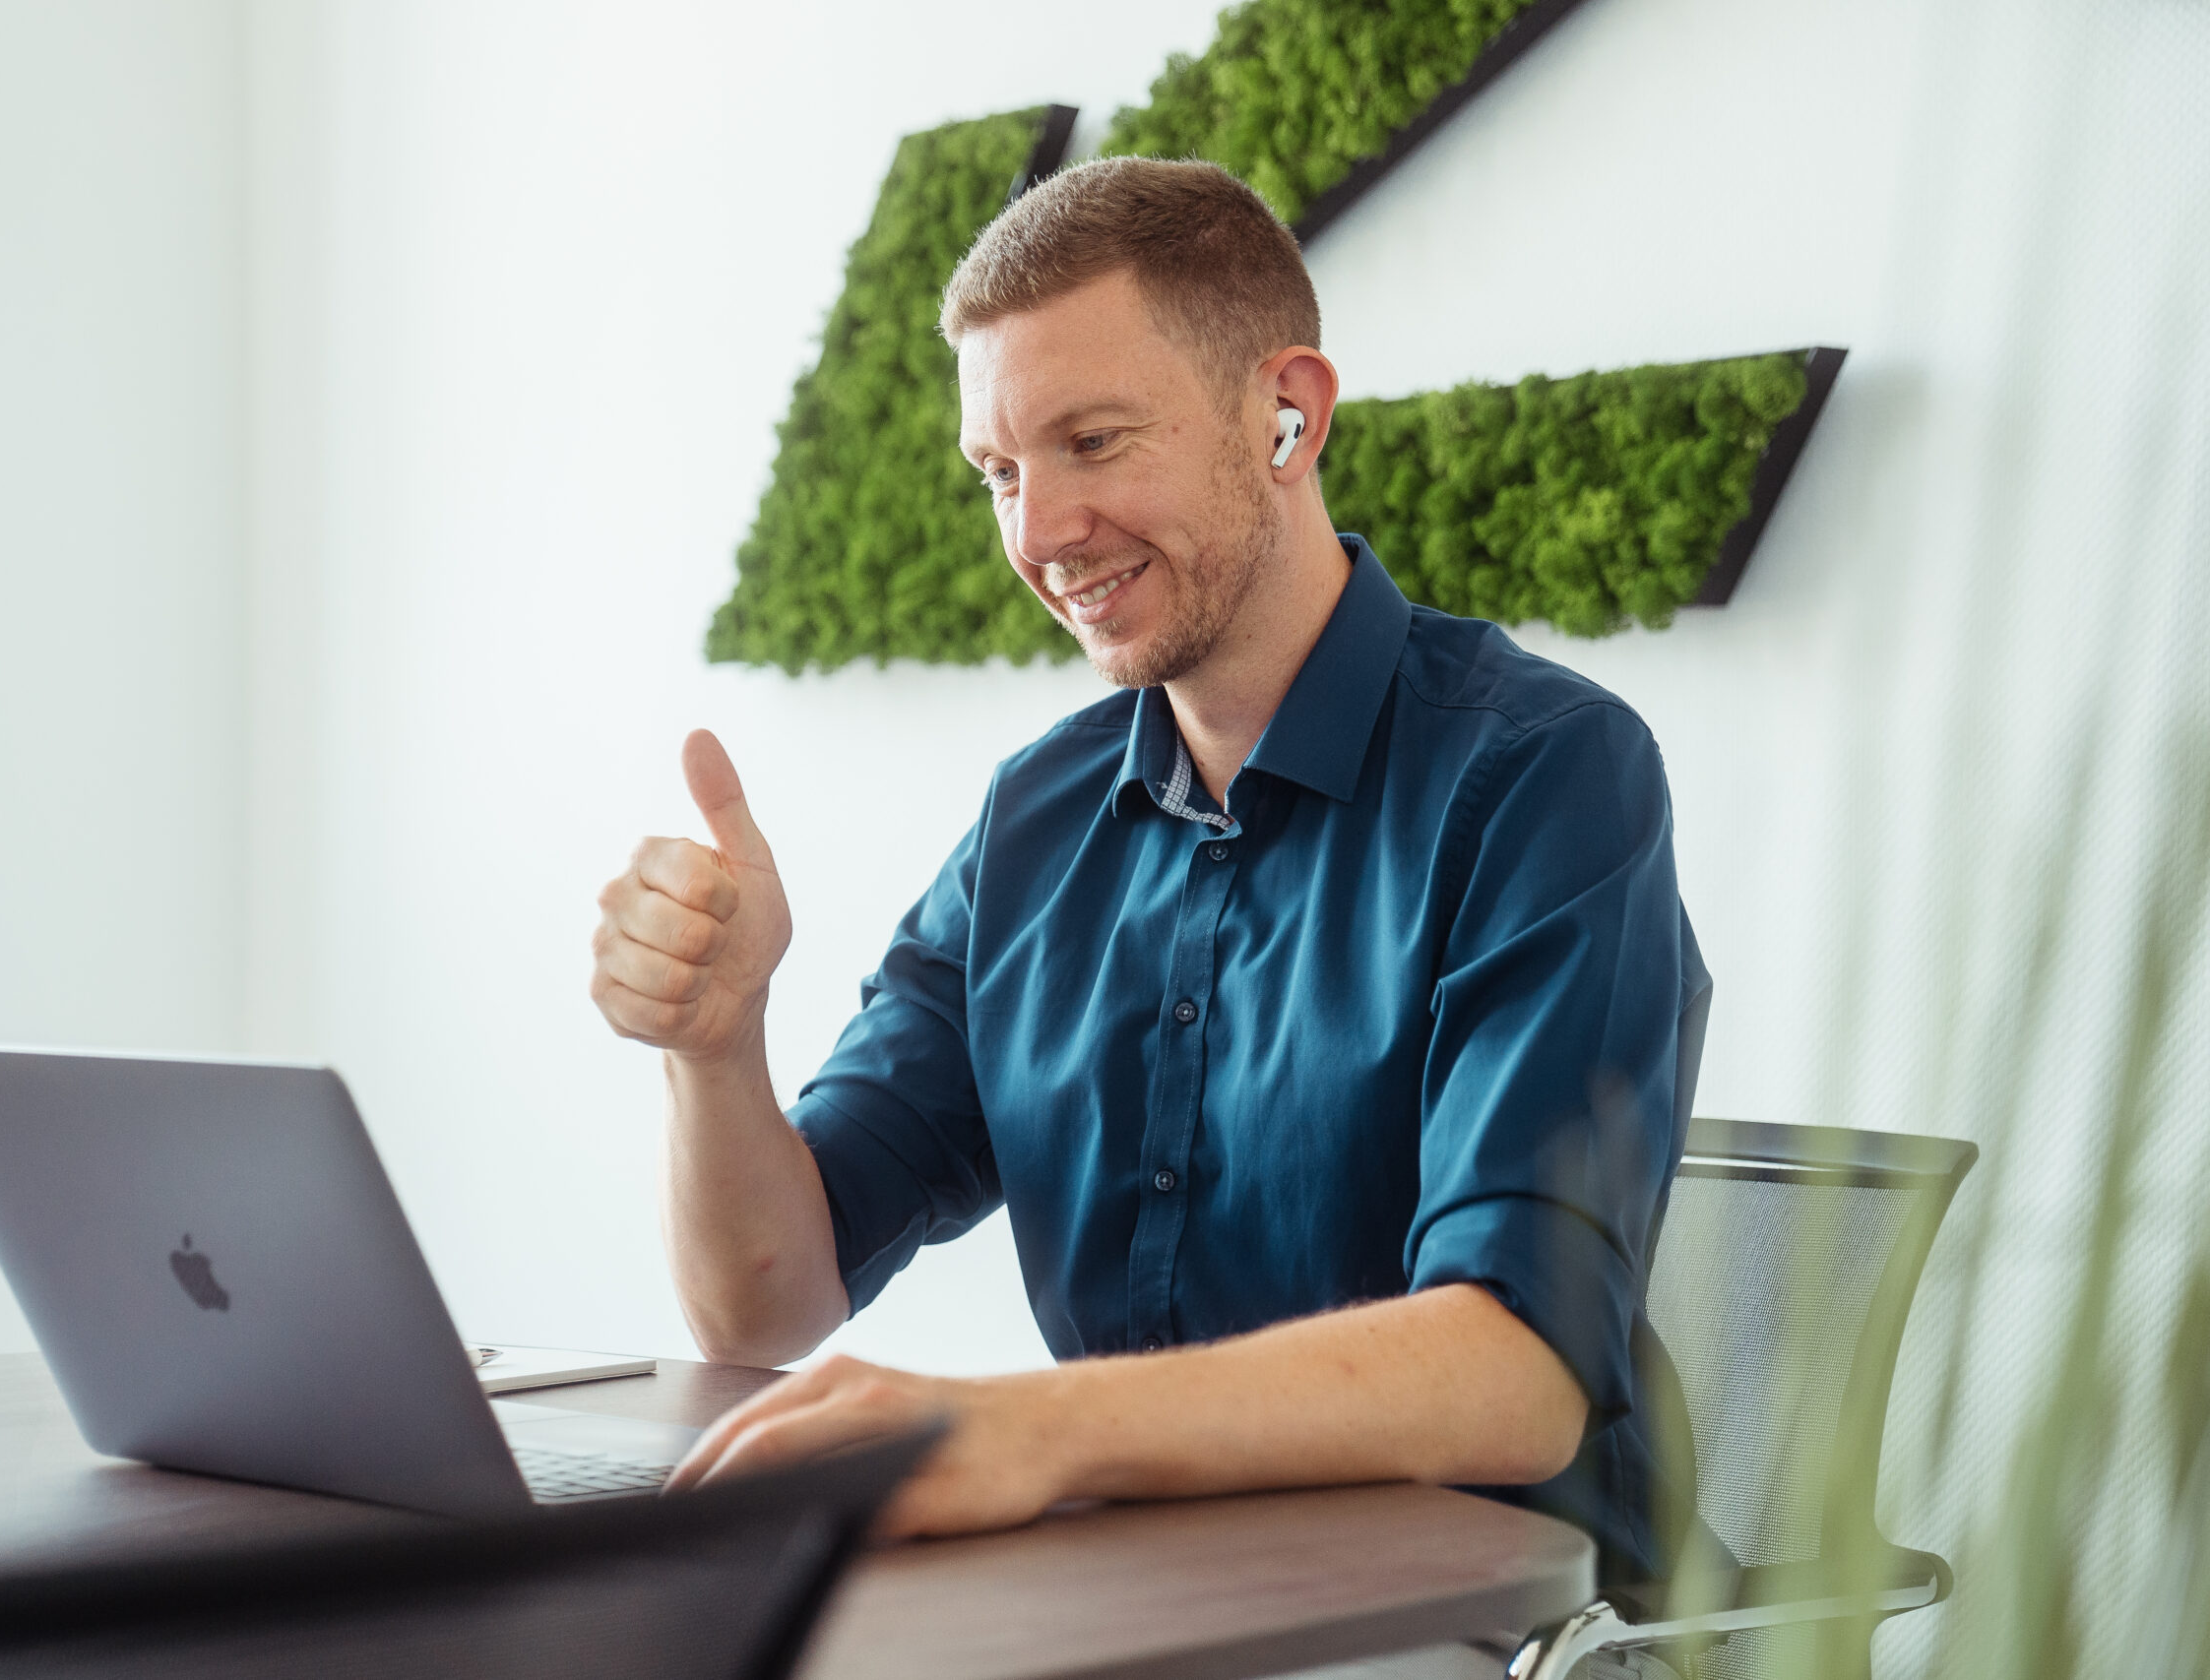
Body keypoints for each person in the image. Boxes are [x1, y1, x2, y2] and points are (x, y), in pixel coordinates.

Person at [590, 156, 1709, 1583]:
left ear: (1286, 416)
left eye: (1095, 441)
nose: (1036, 533)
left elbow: (1515, 1373)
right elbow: (763, 1304)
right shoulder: (1037, 821)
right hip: (1156, 1609)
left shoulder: (1547, 776)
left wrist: (1032, 1430)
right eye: (1000, 471)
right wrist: (714, 1043)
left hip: (1505, 1631)